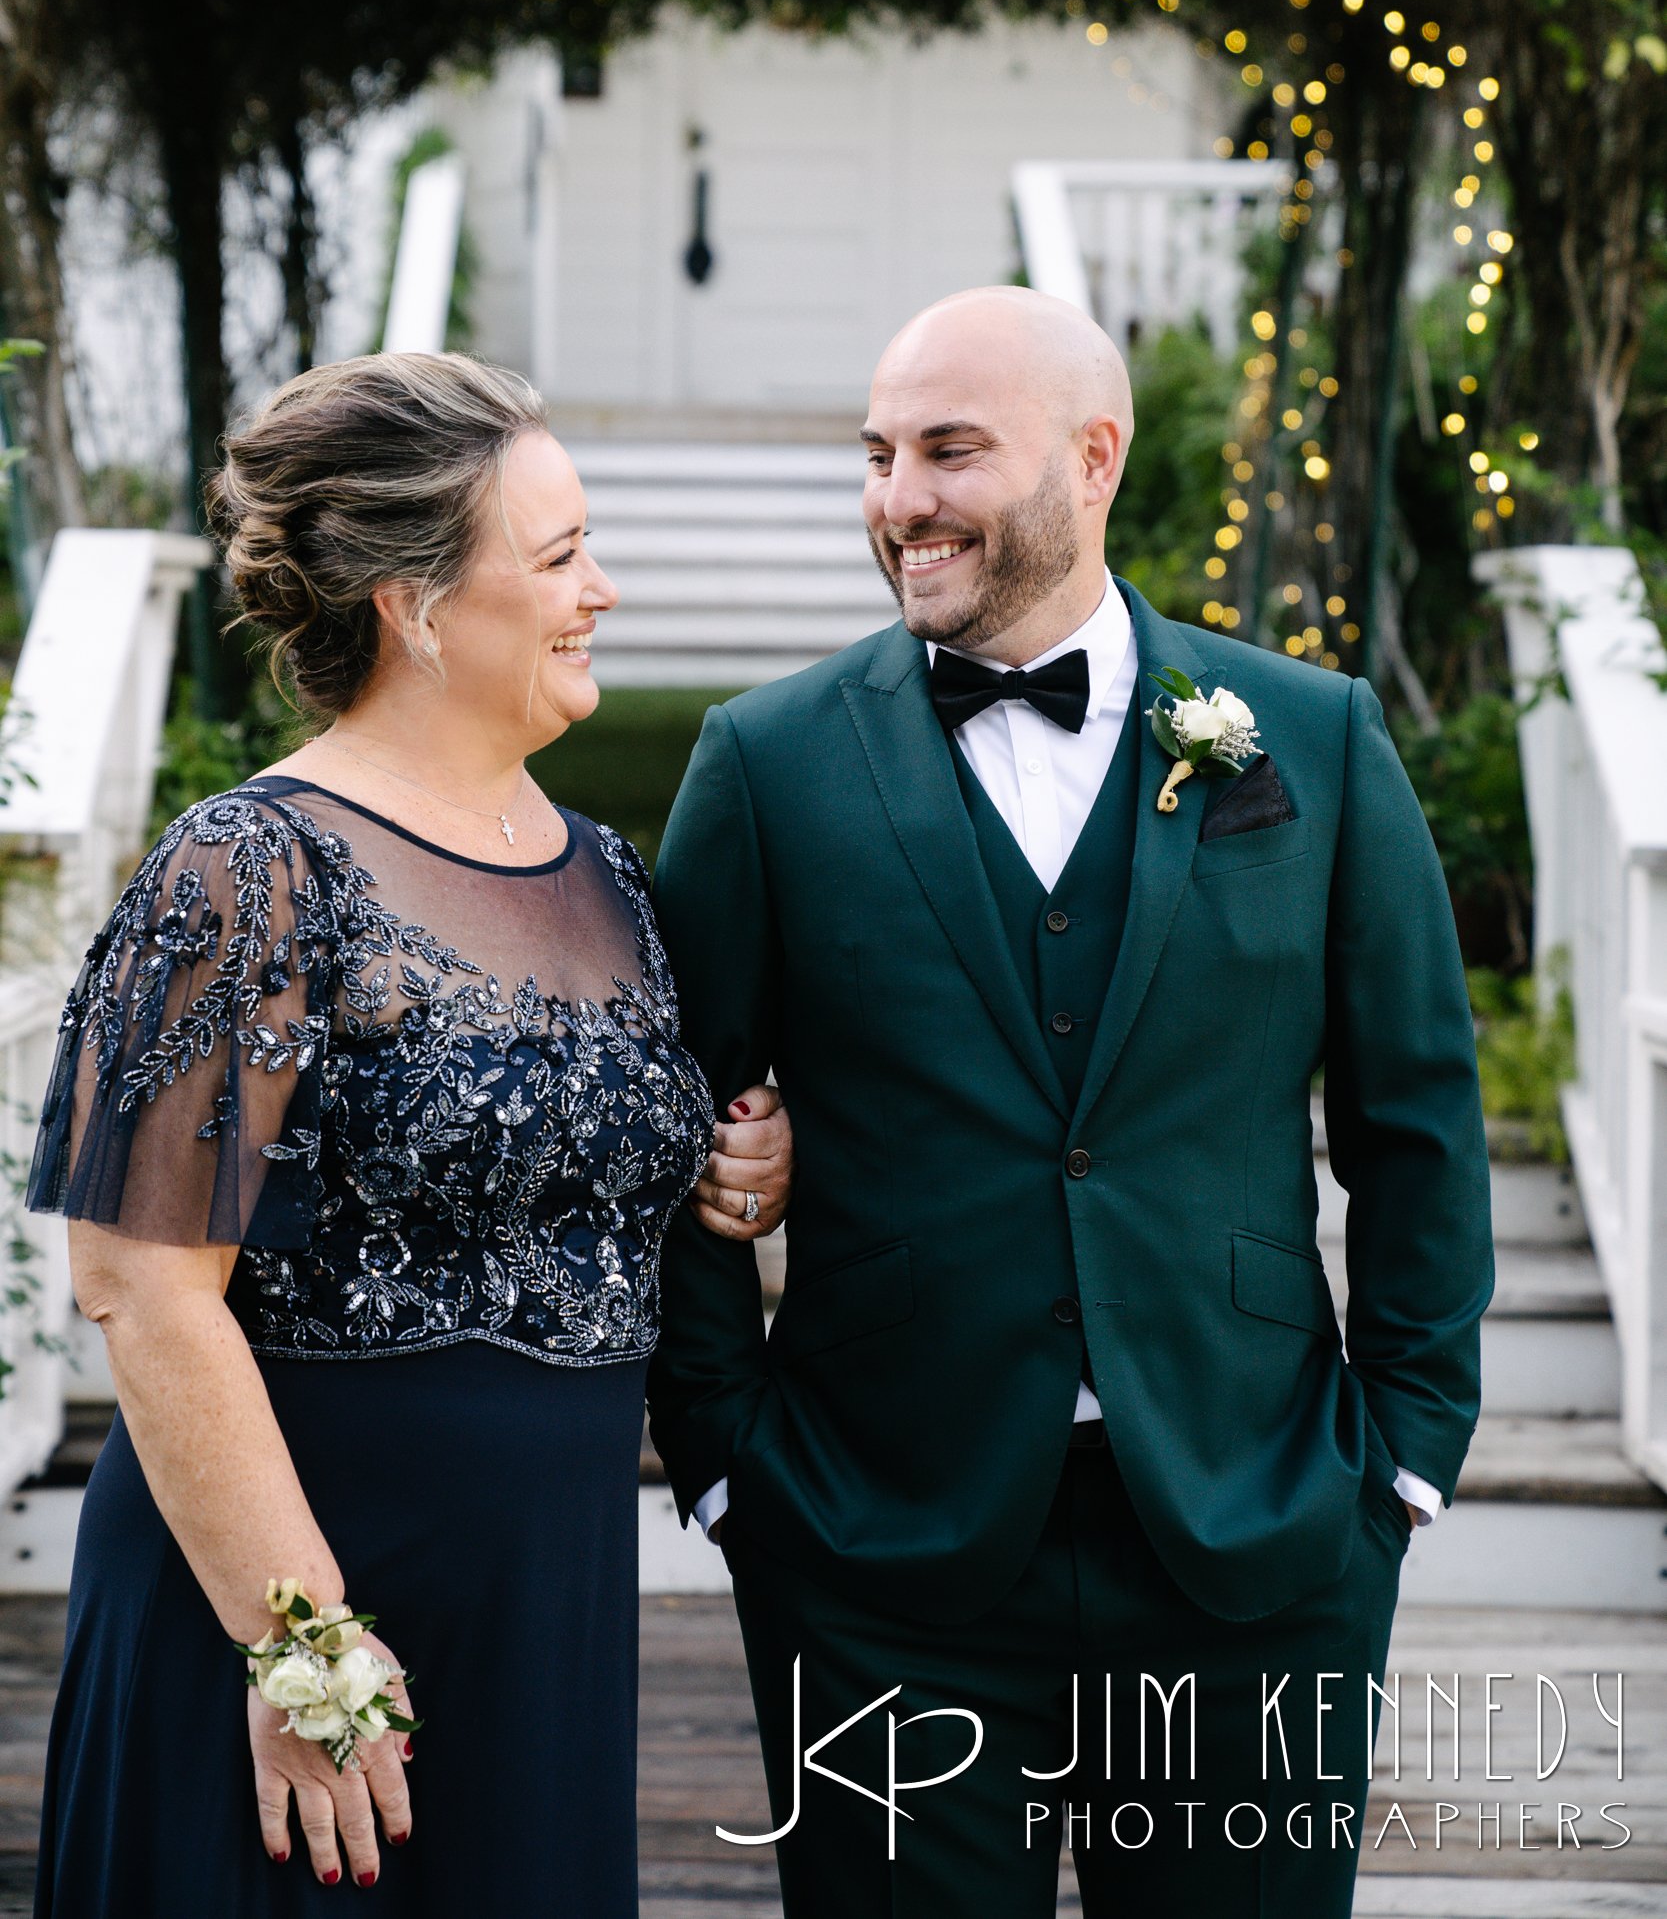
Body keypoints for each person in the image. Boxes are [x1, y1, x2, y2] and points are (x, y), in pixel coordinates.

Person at [646, 286, 1494, 1918]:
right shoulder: (767, 761)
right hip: (876, 1540)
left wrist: (1403, 1456)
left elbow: (1417, 1119)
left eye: (950, 451)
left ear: (1094, 457)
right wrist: (725, 1454)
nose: (901, 500)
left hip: (1257, 1526)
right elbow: (678, 1113)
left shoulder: (1311, 738)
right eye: (879, 455)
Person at [26, 352, 792, 1916]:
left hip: (541, 1611)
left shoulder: (609, 877)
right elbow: (143, 1285)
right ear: (415, 605)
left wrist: (735, 1162)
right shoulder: (247, 869)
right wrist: (301, 1647)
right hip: (290, 1622)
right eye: (559, 557)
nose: (603, 592)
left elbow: (582, 1158)